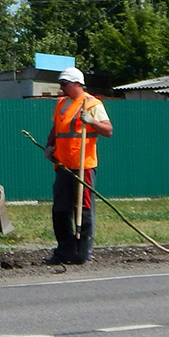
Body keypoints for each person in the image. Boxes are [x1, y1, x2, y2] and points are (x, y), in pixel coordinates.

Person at [43, 66, 113, 265]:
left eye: (64, 84)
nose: (62, 88)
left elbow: (108, 130)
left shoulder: (92, 104)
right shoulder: (61, 105)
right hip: (63, 165)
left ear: (76, 83)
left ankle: (83, 253)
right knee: (60, 210)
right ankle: (64, 250)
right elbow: (56, 128)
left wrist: (92, 121)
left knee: (84, 209)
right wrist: (50, 146)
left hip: (84, 166)